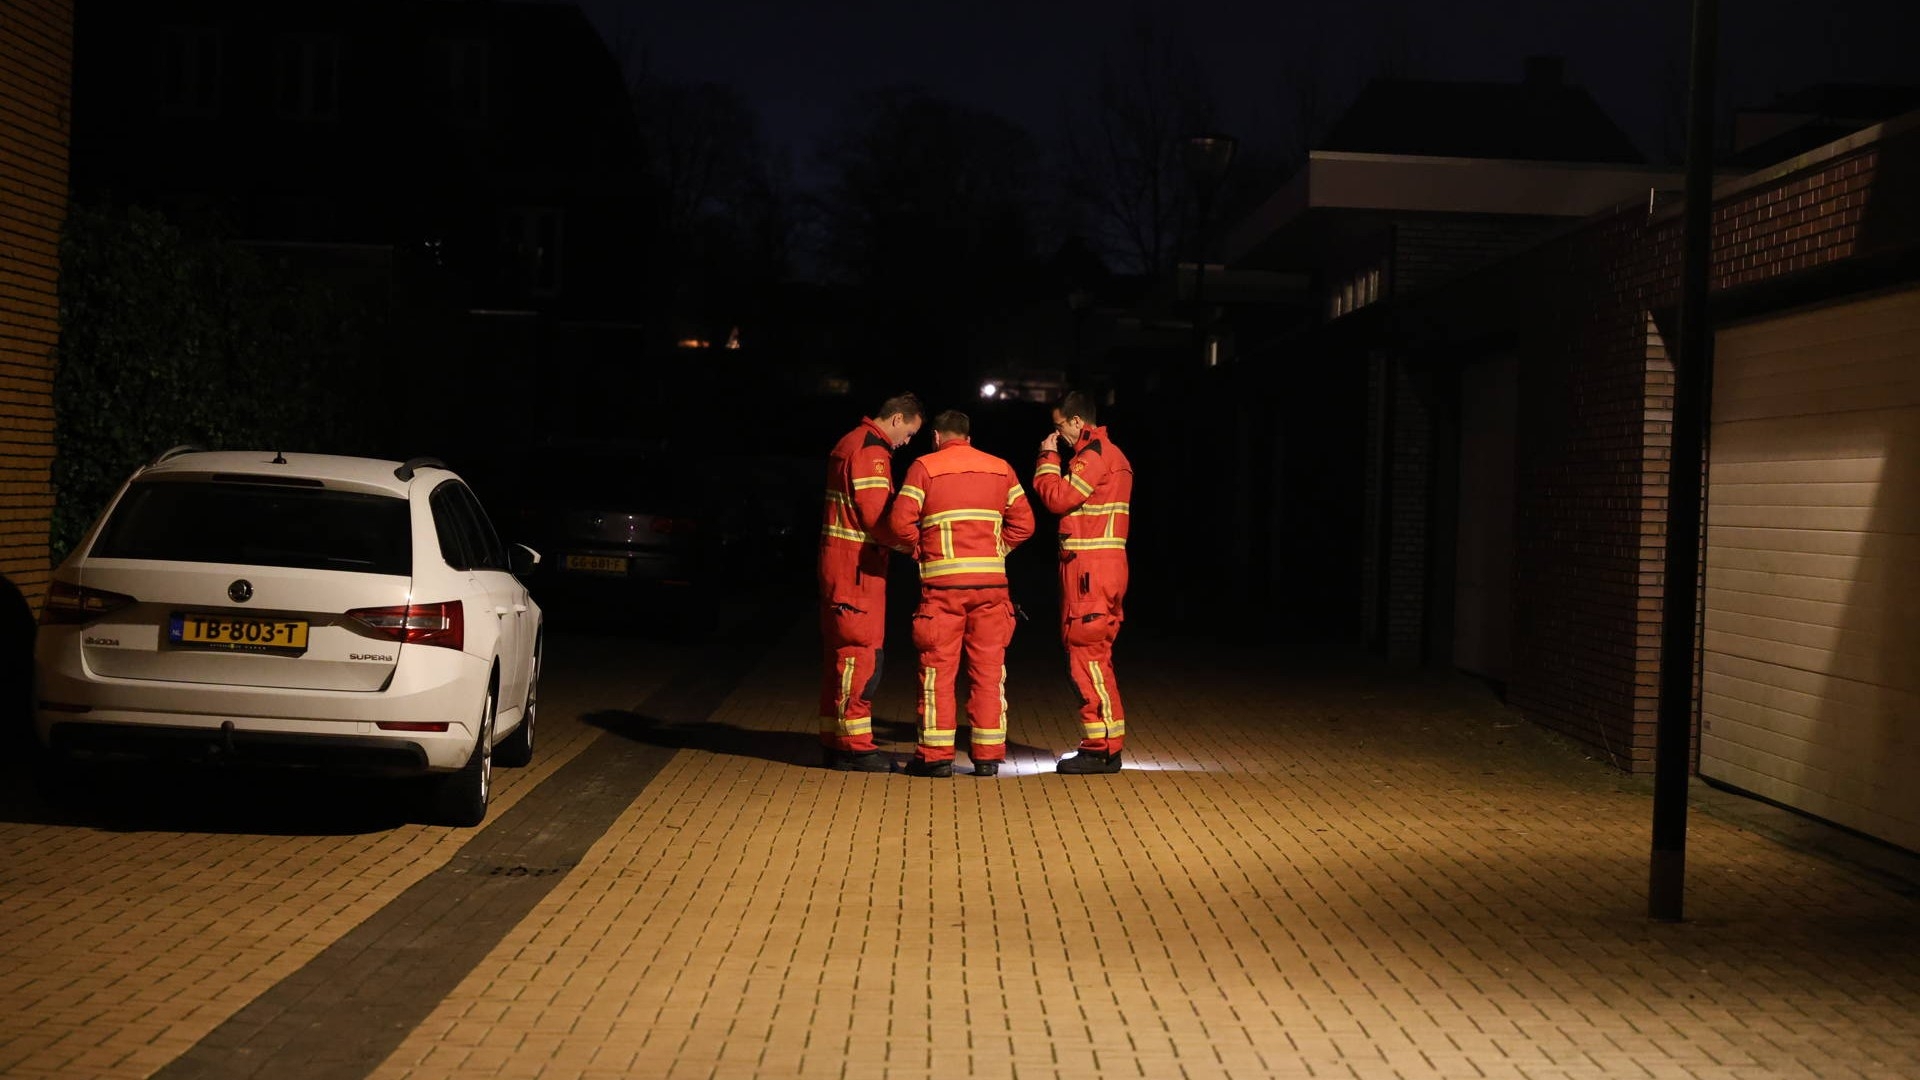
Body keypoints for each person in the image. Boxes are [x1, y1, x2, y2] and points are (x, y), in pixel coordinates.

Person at [885, 410, 1035, 777]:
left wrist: (921, 550)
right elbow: (1025, 524)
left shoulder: (924, 467)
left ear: (937, 436)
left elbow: (899, 524)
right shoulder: (1001, 468)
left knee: (938, 673)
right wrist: (997, 550)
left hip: (942, 590)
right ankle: (987, 758)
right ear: (968, 436)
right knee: (989, 673)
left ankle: (936, 758)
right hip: (992, 589)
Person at [818, 392, 923, 771]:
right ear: (896, 419)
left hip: (840, 564)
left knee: (840, 656)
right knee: (861, 655)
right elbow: (878, 517)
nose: (906, 442)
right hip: (859, 568)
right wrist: (913, 545)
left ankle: (835, 741)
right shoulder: (872, 451)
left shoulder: (849, 441)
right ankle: (856, 746)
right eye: (908, 433)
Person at [1032, 390, 1133, 774]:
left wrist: (1047, 459)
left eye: (1059, 426)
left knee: (1086, 655)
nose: (1058, 434)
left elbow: (1057, 499)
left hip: (1090, 571)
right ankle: (1105, 744)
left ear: (1076, 420)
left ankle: (1100, 749)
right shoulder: (1113, 455)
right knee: (1096, 656)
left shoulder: (1093, 457)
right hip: (1105, 568)